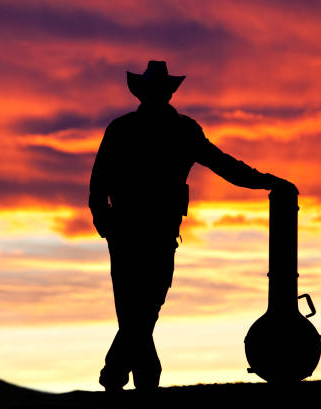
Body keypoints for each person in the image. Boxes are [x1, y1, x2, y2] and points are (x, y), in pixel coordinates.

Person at [88, 60, 297, 391]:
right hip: (132, 233)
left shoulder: (175, 130)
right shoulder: (136, 129)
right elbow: (99, 184)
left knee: (140, 312)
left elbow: (225, 165)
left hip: (150, 234)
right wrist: (106, 223)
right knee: (138, 312)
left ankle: (118, 372)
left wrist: (267, 181)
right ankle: (130, 376)